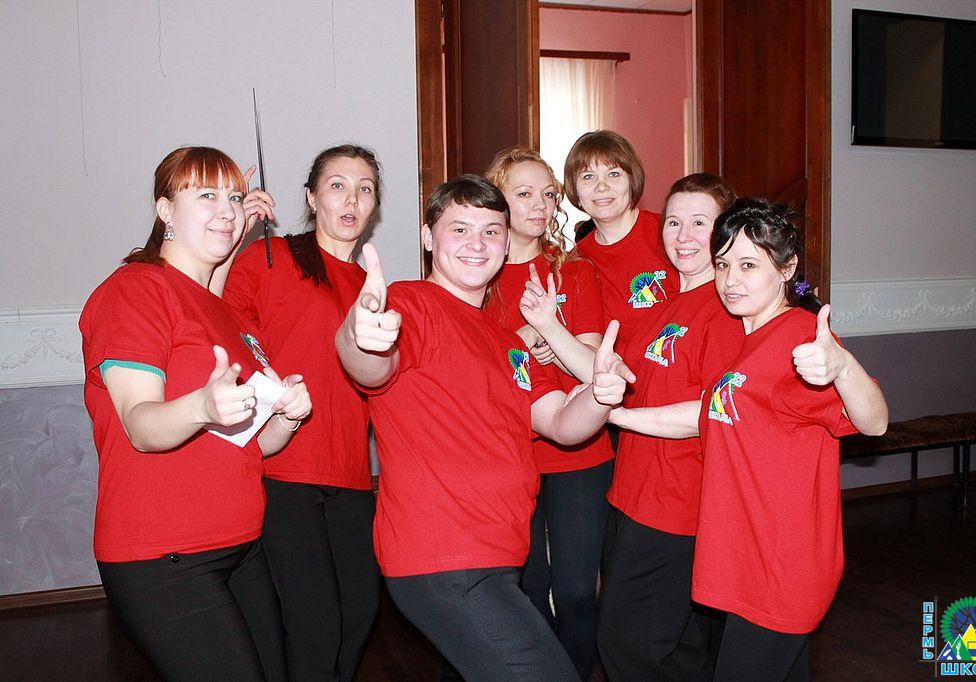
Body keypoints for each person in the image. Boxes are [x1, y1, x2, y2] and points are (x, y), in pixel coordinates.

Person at [335, 175, 633, 682]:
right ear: (428, 237)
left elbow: (560, 423)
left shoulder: (508, 341)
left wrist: (599, 395)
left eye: (491, 231)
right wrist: (360, 337)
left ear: (506, 242)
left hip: (497, 555)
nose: (477, 243)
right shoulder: (412, 304)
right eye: (460, 229)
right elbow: (371, 368)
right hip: (445, 559)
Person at [612, 198, 888, 681]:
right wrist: (617, 415)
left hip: (781, 564)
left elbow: (875, 422)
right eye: (723, 265)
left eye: (748, 265)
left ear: (787, 269)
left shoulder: (799, 336)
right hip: (747, 555)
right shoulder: (748, 341)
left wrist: (844, 368)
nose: (730, 280)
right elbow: (707, 412)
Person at [79, 146, 312, 682]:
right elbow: (141, 426)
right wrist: (202, 406)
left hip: (242, 547)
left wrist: (286, 416)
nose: (226, 210)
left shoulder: (222, 311)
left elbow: (255, 444)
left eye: (234, 197)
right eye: (206, 195)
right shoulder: (135, 289)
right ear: (165, 209)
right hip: (165, 557)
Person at [223, 145, 382, 680]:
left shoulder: (371, 288)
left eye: (364, 189)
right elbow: (222, 327)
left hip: (352, 474)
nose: (351, 200)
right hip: (284, 468)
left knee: (359, 612)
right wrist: (234, 238)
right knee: (316, 625)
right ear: (312, 198)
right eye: (337, 186)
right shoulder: (270, 258)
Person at [598, 174, 745, 681]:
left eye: (700, 223)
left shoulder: (726, 309)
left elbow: (711, 410)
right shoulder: (665, 301)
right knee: (678, 646)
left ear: (726, 232)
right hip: (632, 494)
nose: (683, 236)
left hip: (678, 506)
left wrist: (616, 416)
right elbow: (633, 381)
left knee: (626, 641)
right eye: (674, 222)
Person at [483, 147, 614, 679]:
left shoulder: (573, 271)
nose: (540, 205)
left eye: (548, 194)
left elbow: (591, 362)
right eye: (524, 194)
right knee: (526, 591)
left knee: (578, 592)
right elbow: (476, 369)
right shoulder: (474, 272)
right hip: (507, 455)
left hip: (579, 453)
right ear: (497, 200)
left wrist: (547, 336)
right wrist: (527, 337)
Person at [563, 130, 680, 344]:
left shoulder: (670, 233)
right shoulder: (575, 263)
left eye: (614, 174)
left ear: (632, 180)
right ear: (575, 190)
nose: (601, 186)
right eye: (588, 177)